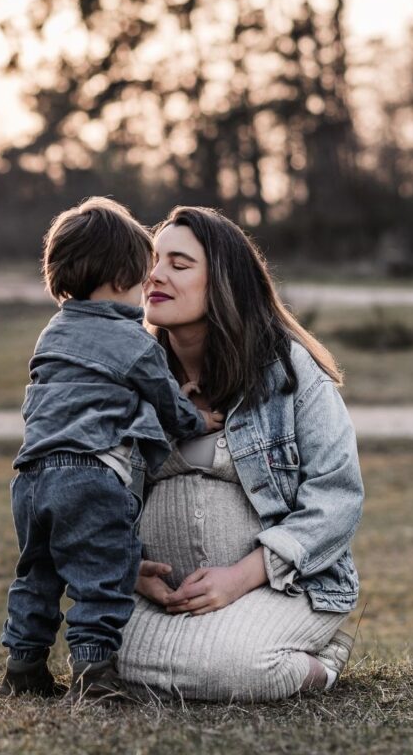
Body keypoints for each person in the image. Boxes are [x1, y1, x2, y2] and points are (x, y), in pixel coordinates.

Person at [117, 206, 364, 702]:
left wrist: (241, 576)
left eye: (179, 265)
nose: (155, 275)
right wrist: (130, 567)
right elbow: (102, 488)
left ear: (224, 282)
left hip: (284, 587)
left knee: (230, 668)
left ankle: (321, 664)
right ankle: (215, 656)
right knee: (106, 654)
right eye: (153, 261)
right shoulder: (131, 378)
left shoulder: (287, 372)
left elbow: (337, 498)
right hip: (164, 600)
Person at [0, 198, 222, 701]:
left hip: (32, 476)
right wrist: (199, 417)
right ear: (126, 276)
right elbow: (170, 405)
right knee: (104, 575)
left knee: (38, 574)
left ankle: (24, 667)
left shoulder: (54, 331)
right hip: (91, 475)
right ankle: (94, 675)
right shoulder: (134, 341)